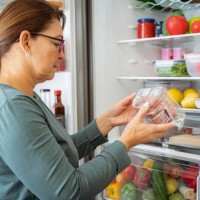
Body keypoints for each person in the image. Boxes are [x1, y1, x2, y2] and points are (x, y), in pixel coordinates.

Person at [0, 0, 174, 199]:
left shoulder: (23, 96)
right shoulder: (13, 108)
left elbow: (56, 155)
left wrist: (106, 122)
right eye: (57, 44)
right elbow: (68, 191)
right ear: (26, 41)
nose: (62, 54)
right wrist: (125, 142)